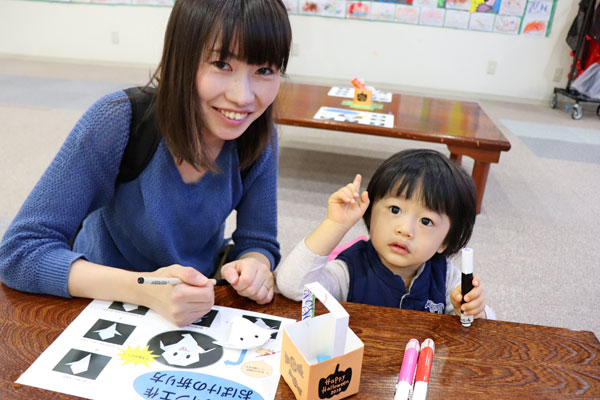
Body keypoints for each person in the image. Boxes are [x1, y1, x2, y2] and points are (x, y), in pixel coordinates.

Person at [0, 0, 292, 327]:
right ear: (182, 59)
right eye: (222, 64)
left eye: (264, 70)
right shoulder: (118, 120)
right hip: (97, 301)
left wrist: (254, 266)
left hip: (190, 306)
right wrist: (146, 290)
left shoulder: (258, 135)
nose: (243, 97)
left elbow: (259, 242)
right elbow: (19, 253)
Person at [276, 149, 495, 320]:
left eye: (426, 221)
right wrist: (335, 224)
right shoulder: (350, 269)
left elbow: (487, 326)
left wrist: (475, 311)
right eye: (395, 210)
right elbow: (292, 286)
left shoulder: (446, 276)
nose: (405, 230)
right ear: (371, 211)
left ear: (445, 241)